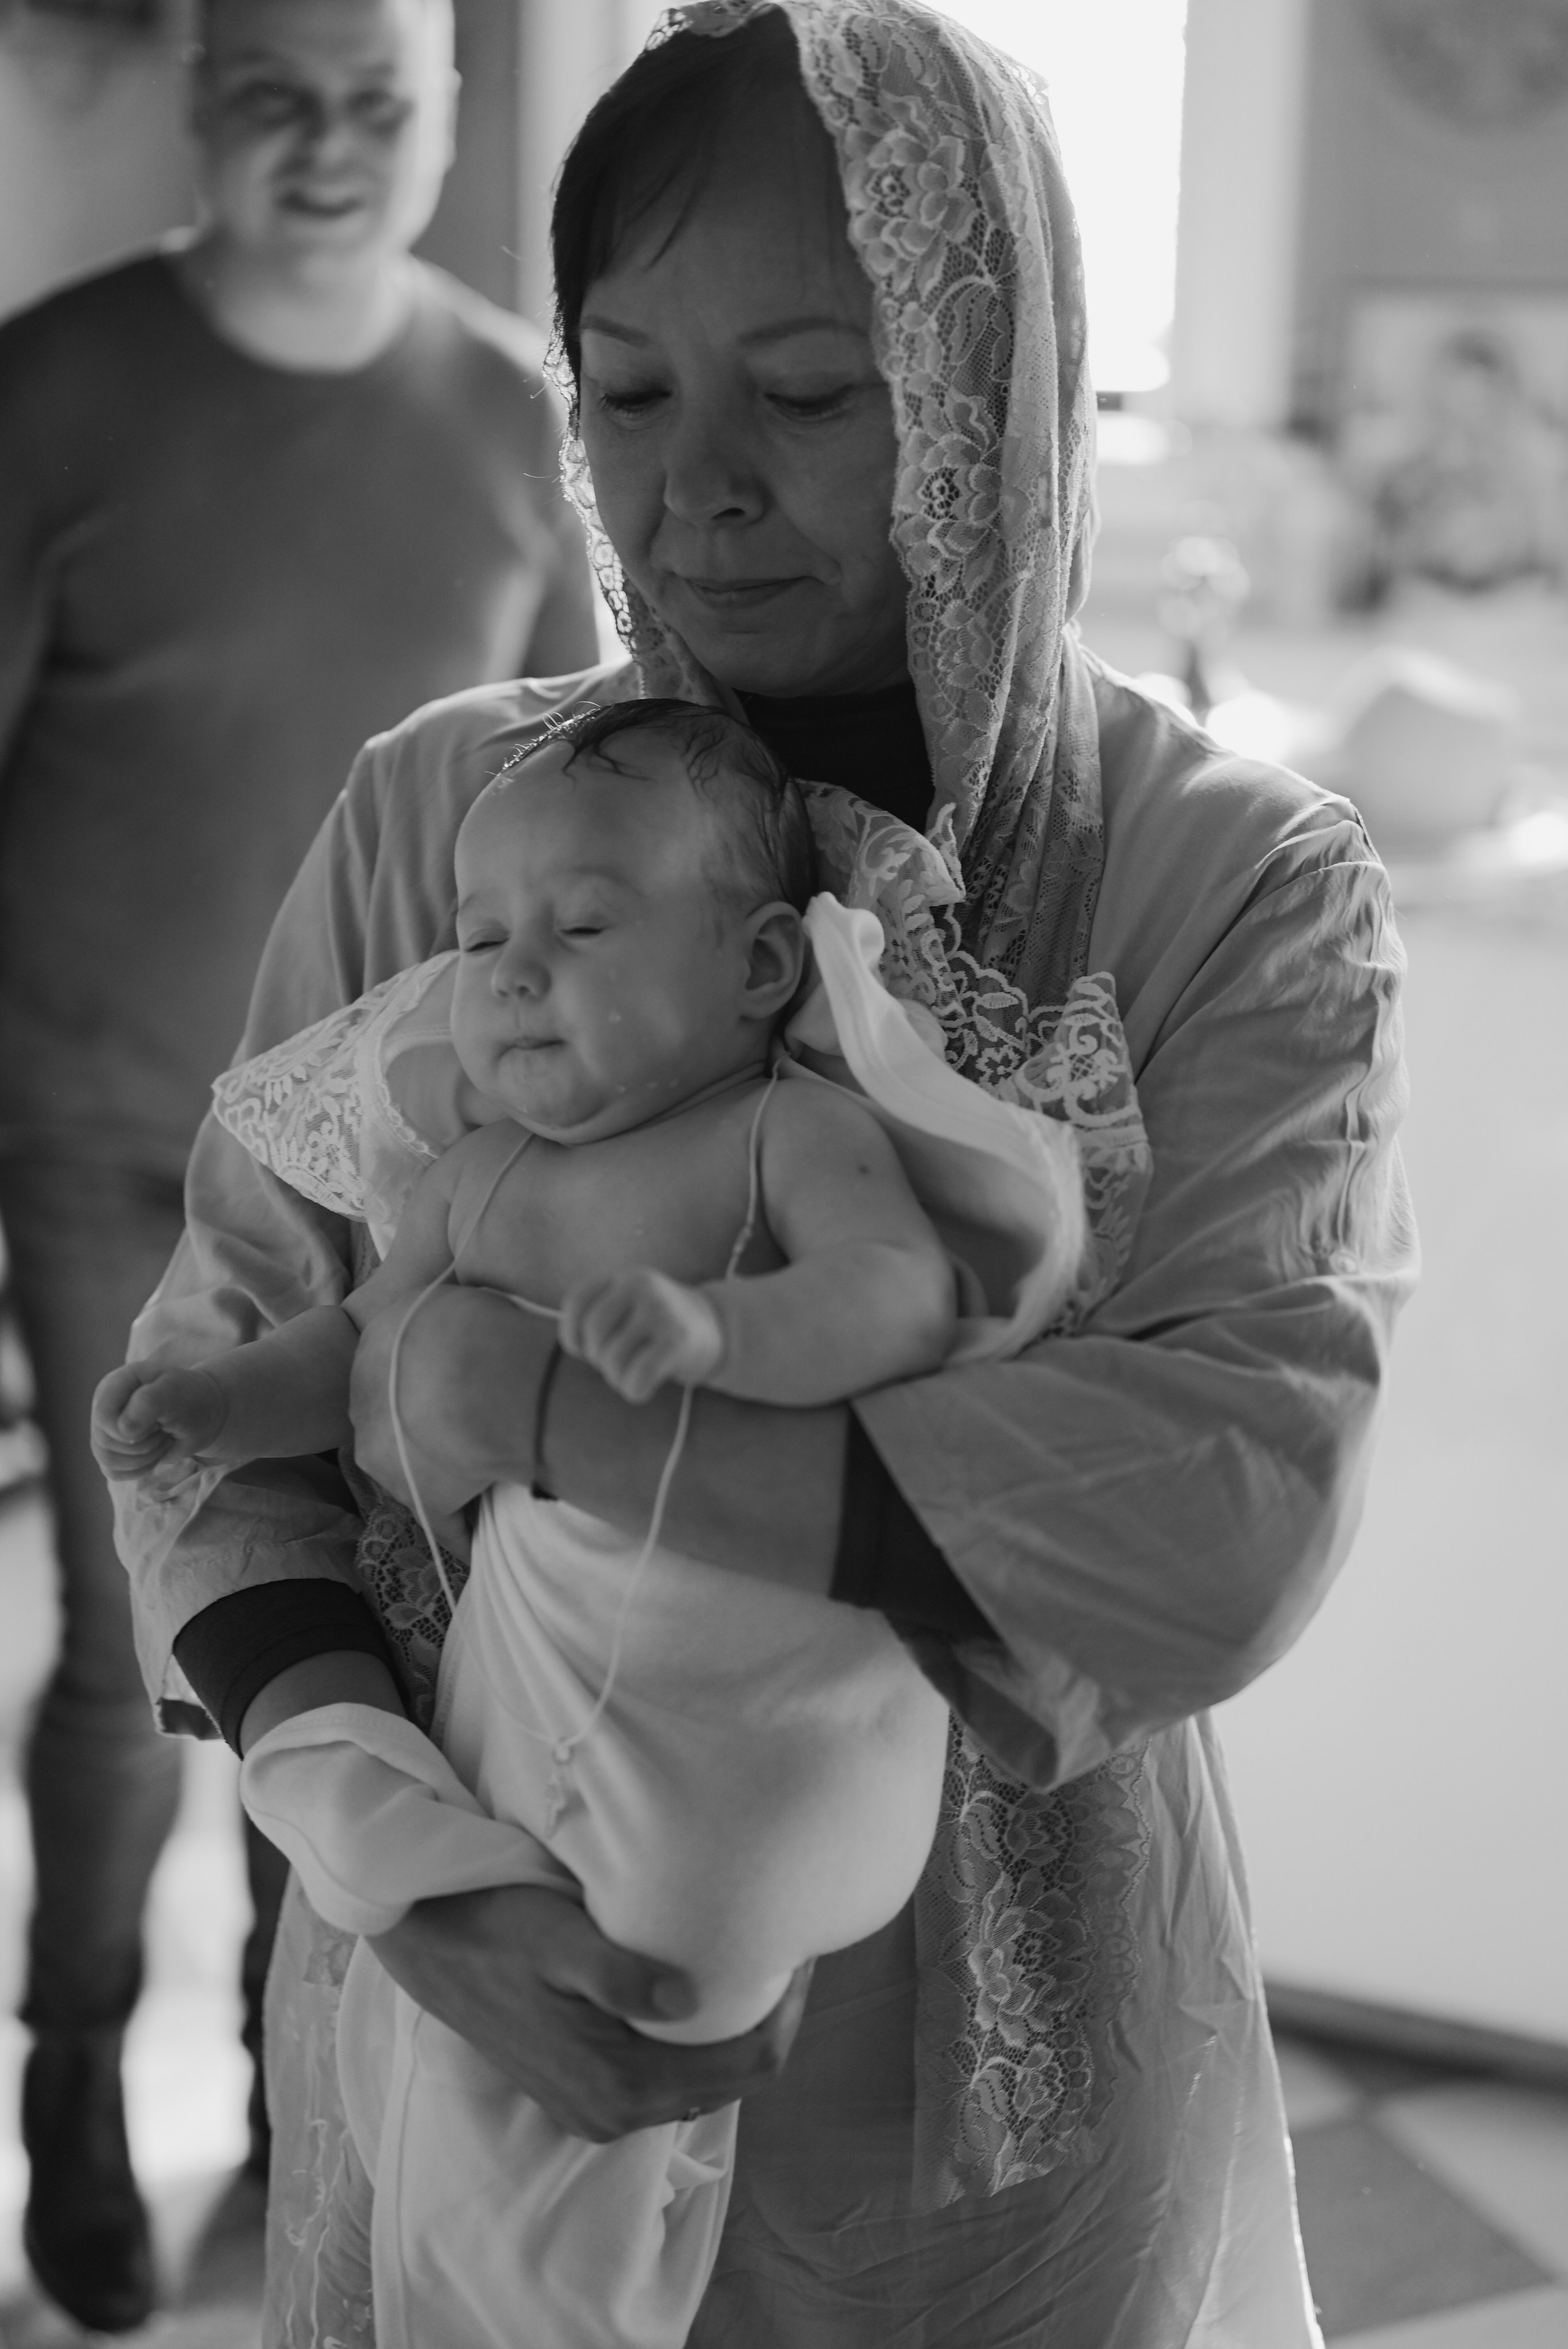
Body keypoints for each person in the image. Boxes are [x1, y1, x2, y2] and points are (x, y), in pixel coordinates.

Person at [115, 6, 1416, 2344]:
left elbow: (1220, 1502)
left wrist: (552, 1417)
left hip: (969, 2095)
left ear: (993, 388)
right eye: (625, 389)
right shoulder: (447, 816)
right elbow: (219, 1380)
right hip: (457, 2006)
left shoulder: (1223, 880)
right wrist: (413, 1879)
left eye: (809, 395)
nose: (692, 487)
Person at [96, 691, 1085, 2344]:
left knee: (582, 2087)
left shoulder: (781, 1133)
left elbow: (900, 1294)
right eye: (481, 935)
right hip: (546, 1687)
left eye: (582, 926)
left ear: (760, 969)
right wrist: (217, 1400)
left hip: (747, 1701)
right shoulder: (478, 1178)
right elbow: (354, 1353)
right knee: (461, 2095)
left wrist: (724, 1337)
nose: (511, 971)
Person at [0, 0, 597, 2328]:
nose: (330, 148)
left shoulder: (505, 421)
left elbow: (564, 817)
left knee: (352, 1621)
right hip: (96, 1120)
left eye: (381, 105)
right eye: (277, 97)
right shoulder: (54, 387)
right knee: (135, 1630)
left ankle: (290, 2095)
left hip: (395, 1171)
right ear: (200, 113)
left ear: (444, 124)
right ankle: (65, 2088)